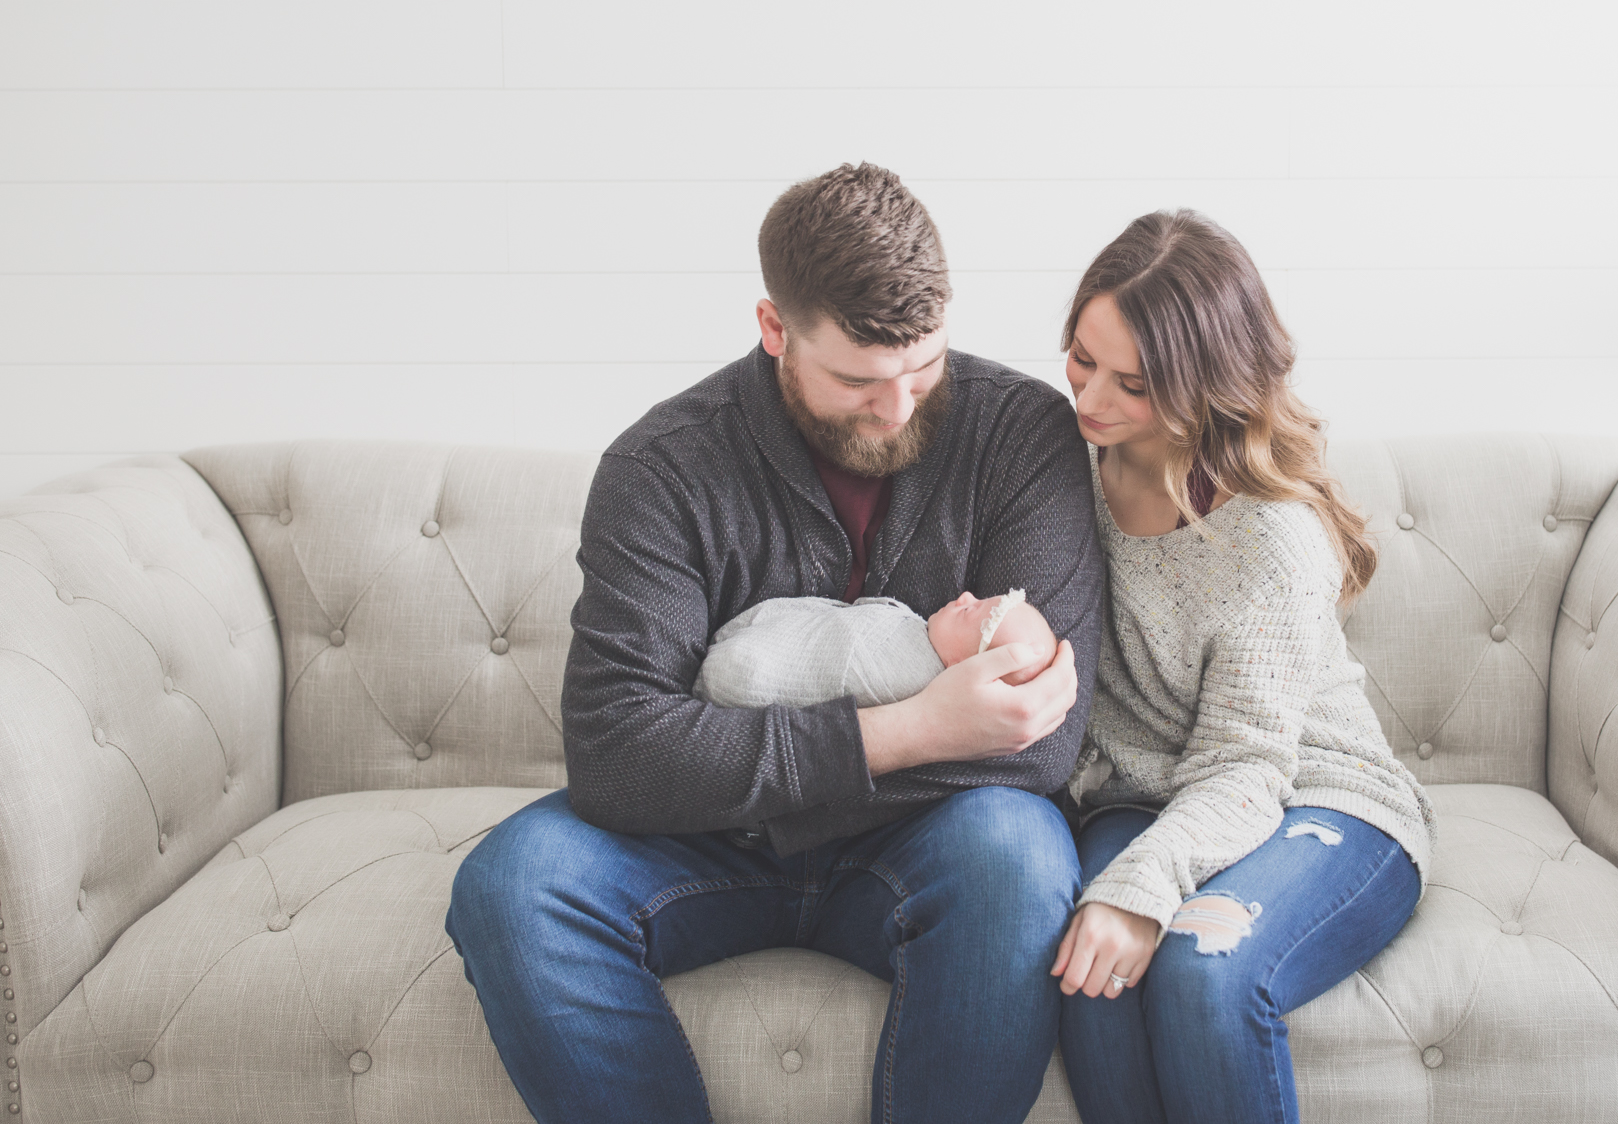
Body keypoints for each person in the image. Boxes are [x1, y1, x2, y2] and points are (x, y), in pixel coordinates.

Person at [444, 163, 1105, 1124]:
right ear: (774, 330)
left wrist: (732, 763)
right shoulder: (662, 466)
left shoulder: (1022, 433)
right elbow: (617, 754)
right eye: (857, 380)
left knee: (1018, 853)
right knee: (514, 884)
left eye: (923, 367)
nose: (899, 408)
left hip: (919, 843)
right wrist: (910, 730)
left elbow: (1039, 741)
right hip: (709, 849)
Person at [1049, 211, 1435, 1124]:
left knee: (1200, 973)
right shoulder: (1061, 468)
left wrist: (1145, 887)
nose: (1092, 398)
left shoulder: (1268, 536)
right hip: (1144, 795)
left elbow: (1244, 765)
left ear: (1204, 383)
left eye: (1132, 384)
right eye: (1080, 357)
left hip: (1319, 794)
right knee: (1088, 974)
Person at [695, 586, 1057, 709]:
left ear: (962, 666)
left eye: (969, 611)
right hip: (750, 641)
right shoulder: (920, 636)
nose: (964, 595)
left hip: (741, 670)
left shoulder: (906, 679)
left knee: (746, 670)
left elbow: (842, 658)